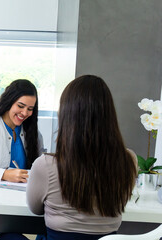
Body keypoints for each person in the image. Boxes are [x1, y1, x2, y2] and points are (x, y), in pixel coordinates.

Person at [26, 75, 138, 240]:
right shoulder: (129, 160)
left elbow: (35, 209)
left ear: (66, 114)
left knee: (6, 235)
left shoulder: (46, 165)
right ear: (109, 114)